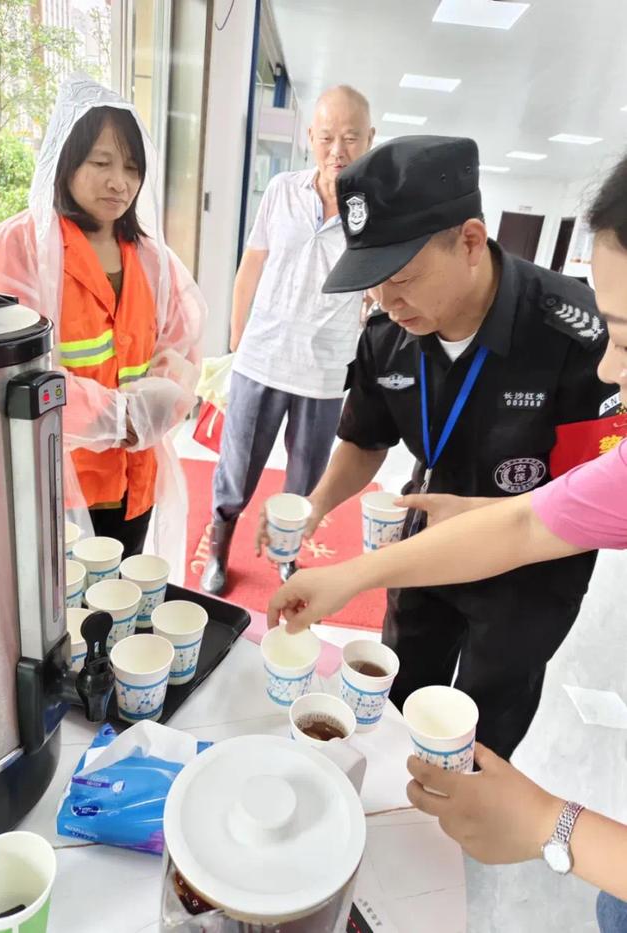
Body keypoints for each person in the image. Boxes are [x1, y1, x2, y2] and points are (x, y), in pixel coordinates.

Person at [266, 151, 627, 926]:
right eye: (375, 281)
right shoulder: (389, 335)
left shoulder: (572, 327)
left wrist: (543, 826)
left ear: (470, 239)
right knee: (398, 688)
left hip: (533, 575)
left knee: (481, 717)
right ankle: (388, 857)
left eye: (402, 275)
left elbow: (560, 510)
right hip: (428, 545)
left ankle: (445, 869)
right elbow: (370, 442)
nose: (389, 300)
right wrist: (331, 526)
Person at [0, 75, 206, 575]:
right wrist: (116, 415)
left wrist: (162, 402)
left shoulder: (151, 258)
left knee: (124, 598)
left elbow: (183, 345)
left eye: (132, 168)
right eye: (101, 163)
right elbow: (3, 372)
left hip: (134, 479)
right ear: (66, 160)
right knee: (61, 610)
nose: (120, 182)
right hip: (58, 480)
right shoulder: (22, 248)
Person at [200, 86, 375, 596]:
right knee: (237, 470)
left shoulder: (376, 215)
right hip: (262, 359)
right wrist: (237, 342)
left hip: (323, 373)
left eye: (349, 138)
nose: (337, 151)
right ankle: (219, 551)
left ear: (370, 140)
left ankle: (286, 555)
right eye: (326, 137)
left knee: (305, 479)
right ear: (310, 138)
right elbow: (251, 263)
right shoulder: (281, 190)